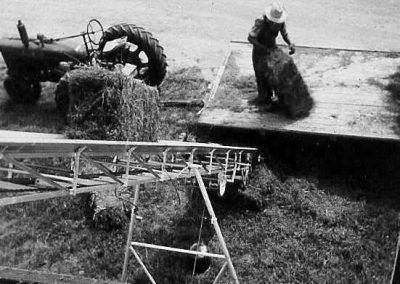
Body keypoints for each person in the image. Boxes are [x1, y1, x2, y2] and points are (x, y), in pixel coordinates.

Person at [248, 1, 295, 105]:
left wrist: (290, 43)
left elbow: (285, 34)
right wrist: (263, 48)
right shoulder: (260, 23)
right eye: (273, 21)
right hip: (259, 52)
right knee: (260, 75)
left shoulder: (280, 23)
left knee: (273, 73)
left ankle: (274, 96)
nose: (275, 23)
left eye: (277, 21)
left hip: (272, 49)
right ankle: (263, 97)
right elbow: (251, 38)